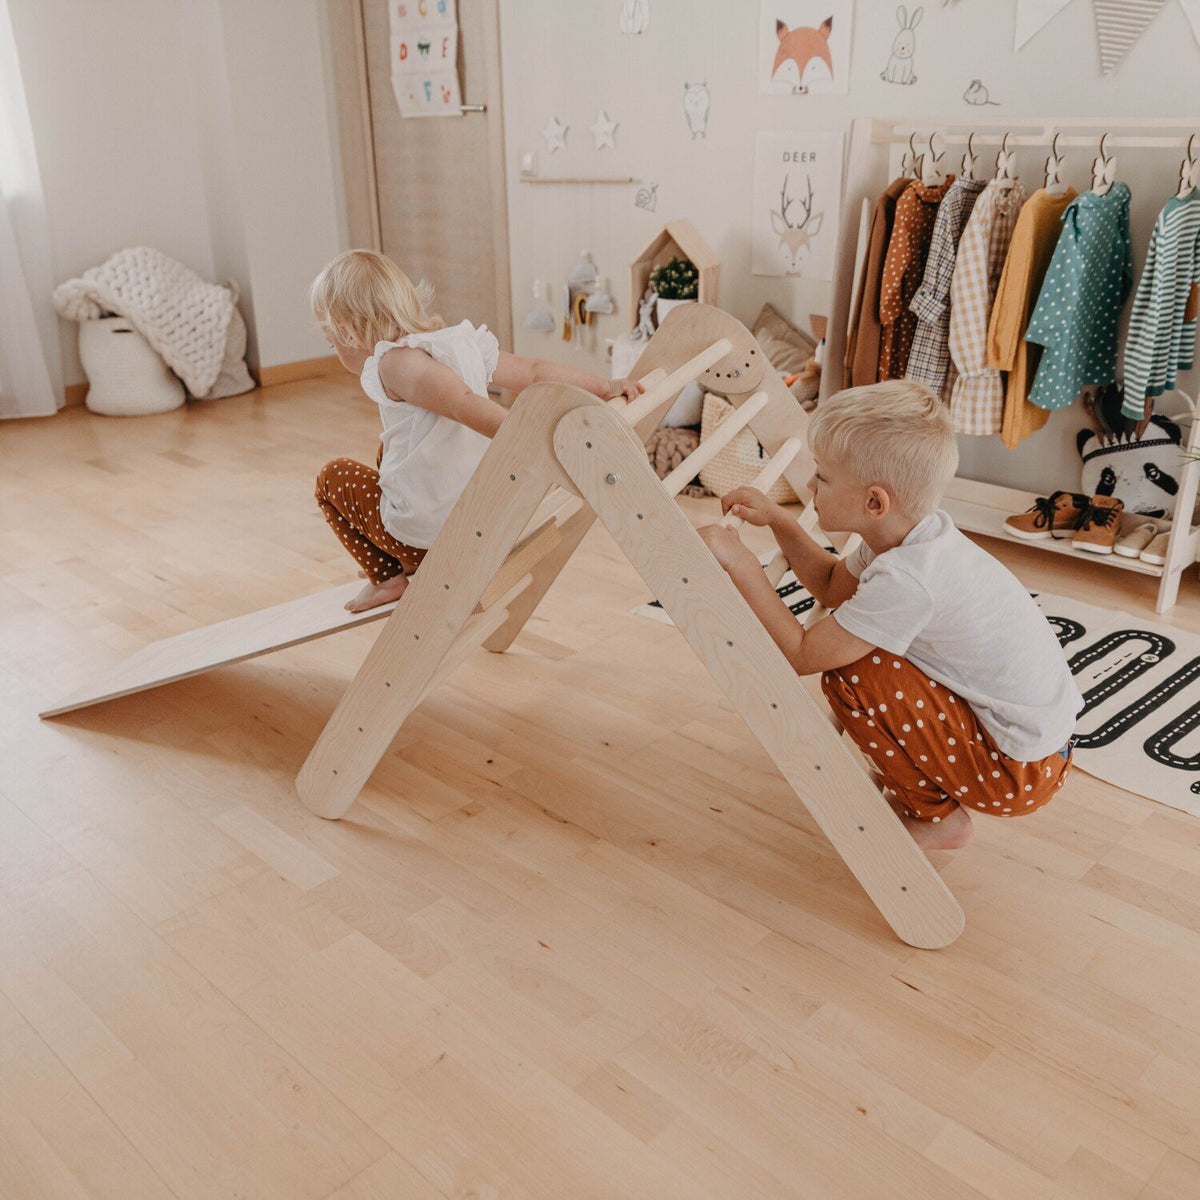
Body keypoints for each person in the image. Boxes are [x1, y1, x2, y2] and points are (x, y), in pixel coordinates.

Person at [697, 379, 1082, 852]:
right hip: (1035, 747)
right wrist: (780, 522)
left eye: (823, 478)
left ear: (874, 503)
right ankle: (926, 788)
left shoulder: (908, 579)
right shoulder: (911, 537)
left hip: (1017, 771)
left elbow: (802, 653)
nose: (812, 486)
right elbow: (833, 587)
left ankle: (939, 818)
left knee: (853, 671)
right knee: (860, 647)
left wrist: (740, 565)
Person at [310, 250, 643, 613]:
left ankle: (388, 578)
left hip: (435, 535)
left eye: (332, 342)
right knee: (389, 449)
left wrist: (526, 439)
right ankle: (404, 560)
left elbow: (461, 403)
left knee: (331, 480)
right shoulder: (458, 344)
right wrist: (603, 385)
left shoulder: (393, 363)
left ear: (350, 332)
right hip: (484, 514)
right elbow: (532, 371)